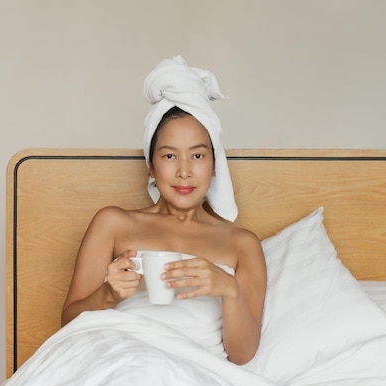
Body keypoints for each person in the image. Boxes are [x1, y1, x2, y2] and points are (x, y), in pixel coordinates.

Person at [61, 56, 267, 365]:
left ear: (214, 166)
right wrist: (109, 294)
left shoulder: (242, 244)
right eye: (170, 156)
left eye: (197, 156)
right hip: (118, 362)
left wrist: (230, 291)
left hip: (198, 372)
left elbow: (242, 354)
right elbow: (67, 323)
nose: (184, 171)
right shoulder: (113, 224)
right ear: (151, 166)